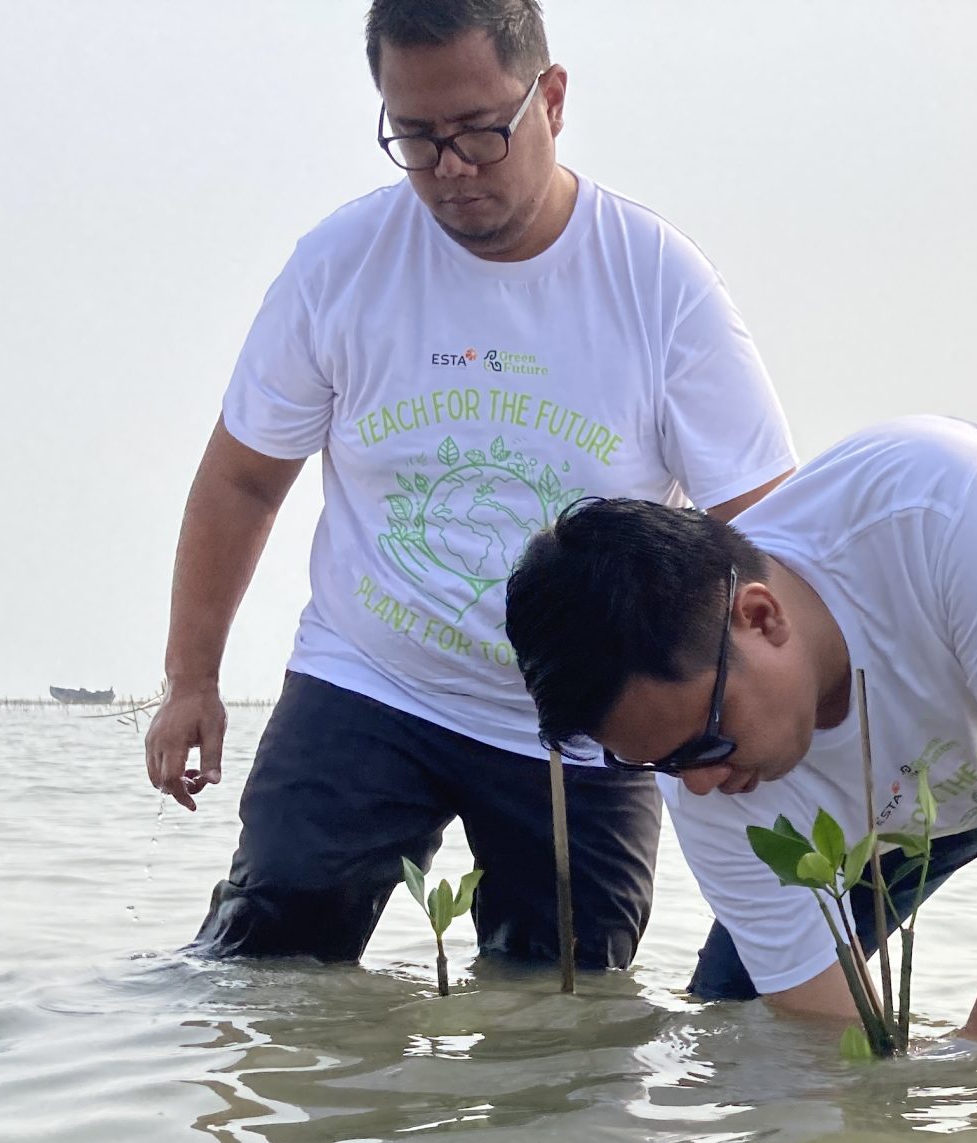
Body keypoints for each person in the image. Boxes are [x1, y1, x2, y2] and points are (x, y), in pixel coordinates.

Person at [144, 0, 794, 970]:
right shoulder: (339, 266)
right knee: (263, 974)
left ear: (552, 99)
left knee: (567, 1002)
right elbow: (243, 480)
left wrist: (760, 717)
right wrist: (191, 678)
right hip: (367, 677)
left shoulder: (659, 284)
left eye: (481, 132)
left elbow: (769, 525)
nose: (450, 169)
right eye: (415, 138)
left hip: (581, 716)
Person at [502, 415, 977, 1046]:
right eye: (662, 765)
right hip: (907, 789)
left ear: (760, 618)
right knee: (743, 1021)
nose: (701, 784)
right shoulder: (700, 759)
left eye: (703, 744)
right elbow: (822, 1027)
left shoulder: (942, 507)